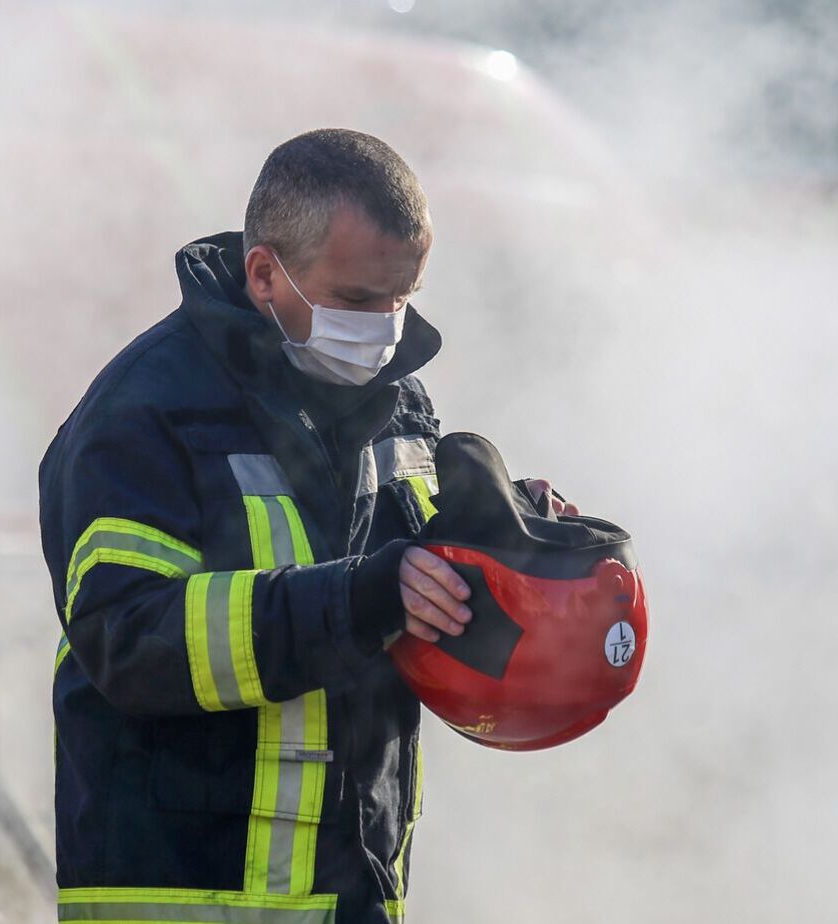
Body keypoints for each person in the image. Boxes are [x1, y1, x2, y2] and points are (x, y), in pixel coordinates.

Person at [39, 128, 568, 924]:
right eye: (358, 300)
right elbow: (126, 638)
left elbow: (409, 586)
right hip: (185, 901)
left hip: (353, 893)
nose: (385, 327)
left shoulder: (398, 402)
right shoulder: (143, 412)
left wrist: (504, 539)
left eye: (404, 297)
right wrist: (359, 598)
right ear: (264, 274)